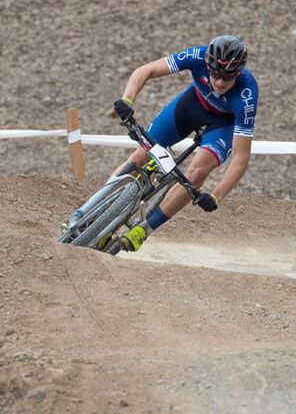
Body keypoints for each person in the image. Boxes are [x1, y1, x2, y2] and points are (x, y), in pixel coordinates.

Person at [111, 35, 259, 252]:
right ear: (207, 64)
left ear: (238, 73)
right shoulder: (197, 56)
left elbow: (241, 157)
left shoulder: (247, 95)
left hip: (223, 124)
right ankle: (86, 214)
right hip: (192, 106)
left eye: (227, 78)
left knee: (198, 171)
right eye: (215, 74)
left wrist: (217, 196)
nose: (219, 82)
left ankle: (144, 230)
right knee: (140, 156)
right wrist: (127, 99)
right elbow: (146, 70)